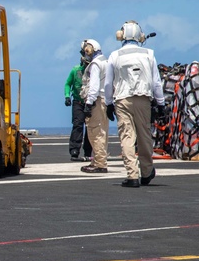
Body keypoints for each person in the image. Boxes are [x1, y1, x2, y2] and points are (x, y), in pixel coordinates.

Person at [104, 21, 166, 188]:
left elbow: (108, 83)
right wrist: (161, 103)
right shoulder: (149, 54)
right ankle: (146, 171)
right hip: (143, 98)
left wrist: (108, 103)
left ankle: (132, 175)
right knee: (144, 135)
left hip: (122, 100)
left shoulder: (114, 56)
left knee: (126, 136)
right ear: (139, 35)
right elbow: (156, 82)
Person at [79, 39, 108, 174]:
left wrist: (89, 103)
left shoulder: (95, 64)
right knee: (101, 132)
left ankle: (100, 163)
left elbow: (93, 86)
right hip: (104, 101)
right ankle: (97, 160)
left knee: (95, 133)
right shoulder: (105, 61)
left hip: (96, 101)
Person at [64, 56, 92, 162]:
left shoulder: (94, 71)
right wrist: (67, 96)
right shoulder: (75, 70)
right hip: (78, 102)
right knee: (78, 124)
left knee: (90, 126)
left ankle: (88, 151)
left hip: (90, 102)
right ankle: (74, 150)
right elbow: (68, 84)